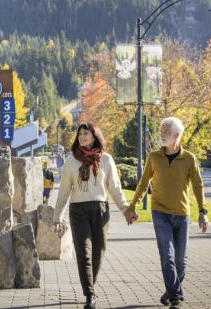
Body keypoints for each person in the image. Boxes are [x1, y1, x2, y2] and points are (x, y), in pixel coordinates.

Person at [127, 117, 207, 309]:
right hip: (160, 212)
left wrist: (203, 211)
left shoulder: (189, 158)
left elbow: (198, 185)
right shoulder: (154, 157)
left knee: (181, 261)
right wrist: (132, 206)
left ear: (176, 135)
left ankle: (169, 291)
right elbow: (144, 182)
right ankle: (176, 298)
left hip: (182, 213)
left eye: (165, 131)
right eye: (161, 130)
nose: (161, 134)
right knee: (167, 256)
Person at [54, 123, 134, 309]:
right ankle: (90, 294)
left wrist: (125, 210)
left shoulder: (105, 160)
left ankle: (89, 283)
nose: (82, 137)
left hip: (100, 209)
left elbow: (115, 188)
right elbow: (64, 191)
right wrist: (58, 216)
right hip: (78, 210)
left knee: (99, 252)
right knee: (84, 254)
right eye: (80, 134)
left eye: (86, 133)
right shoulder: (71, 160)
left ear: (94, 136)